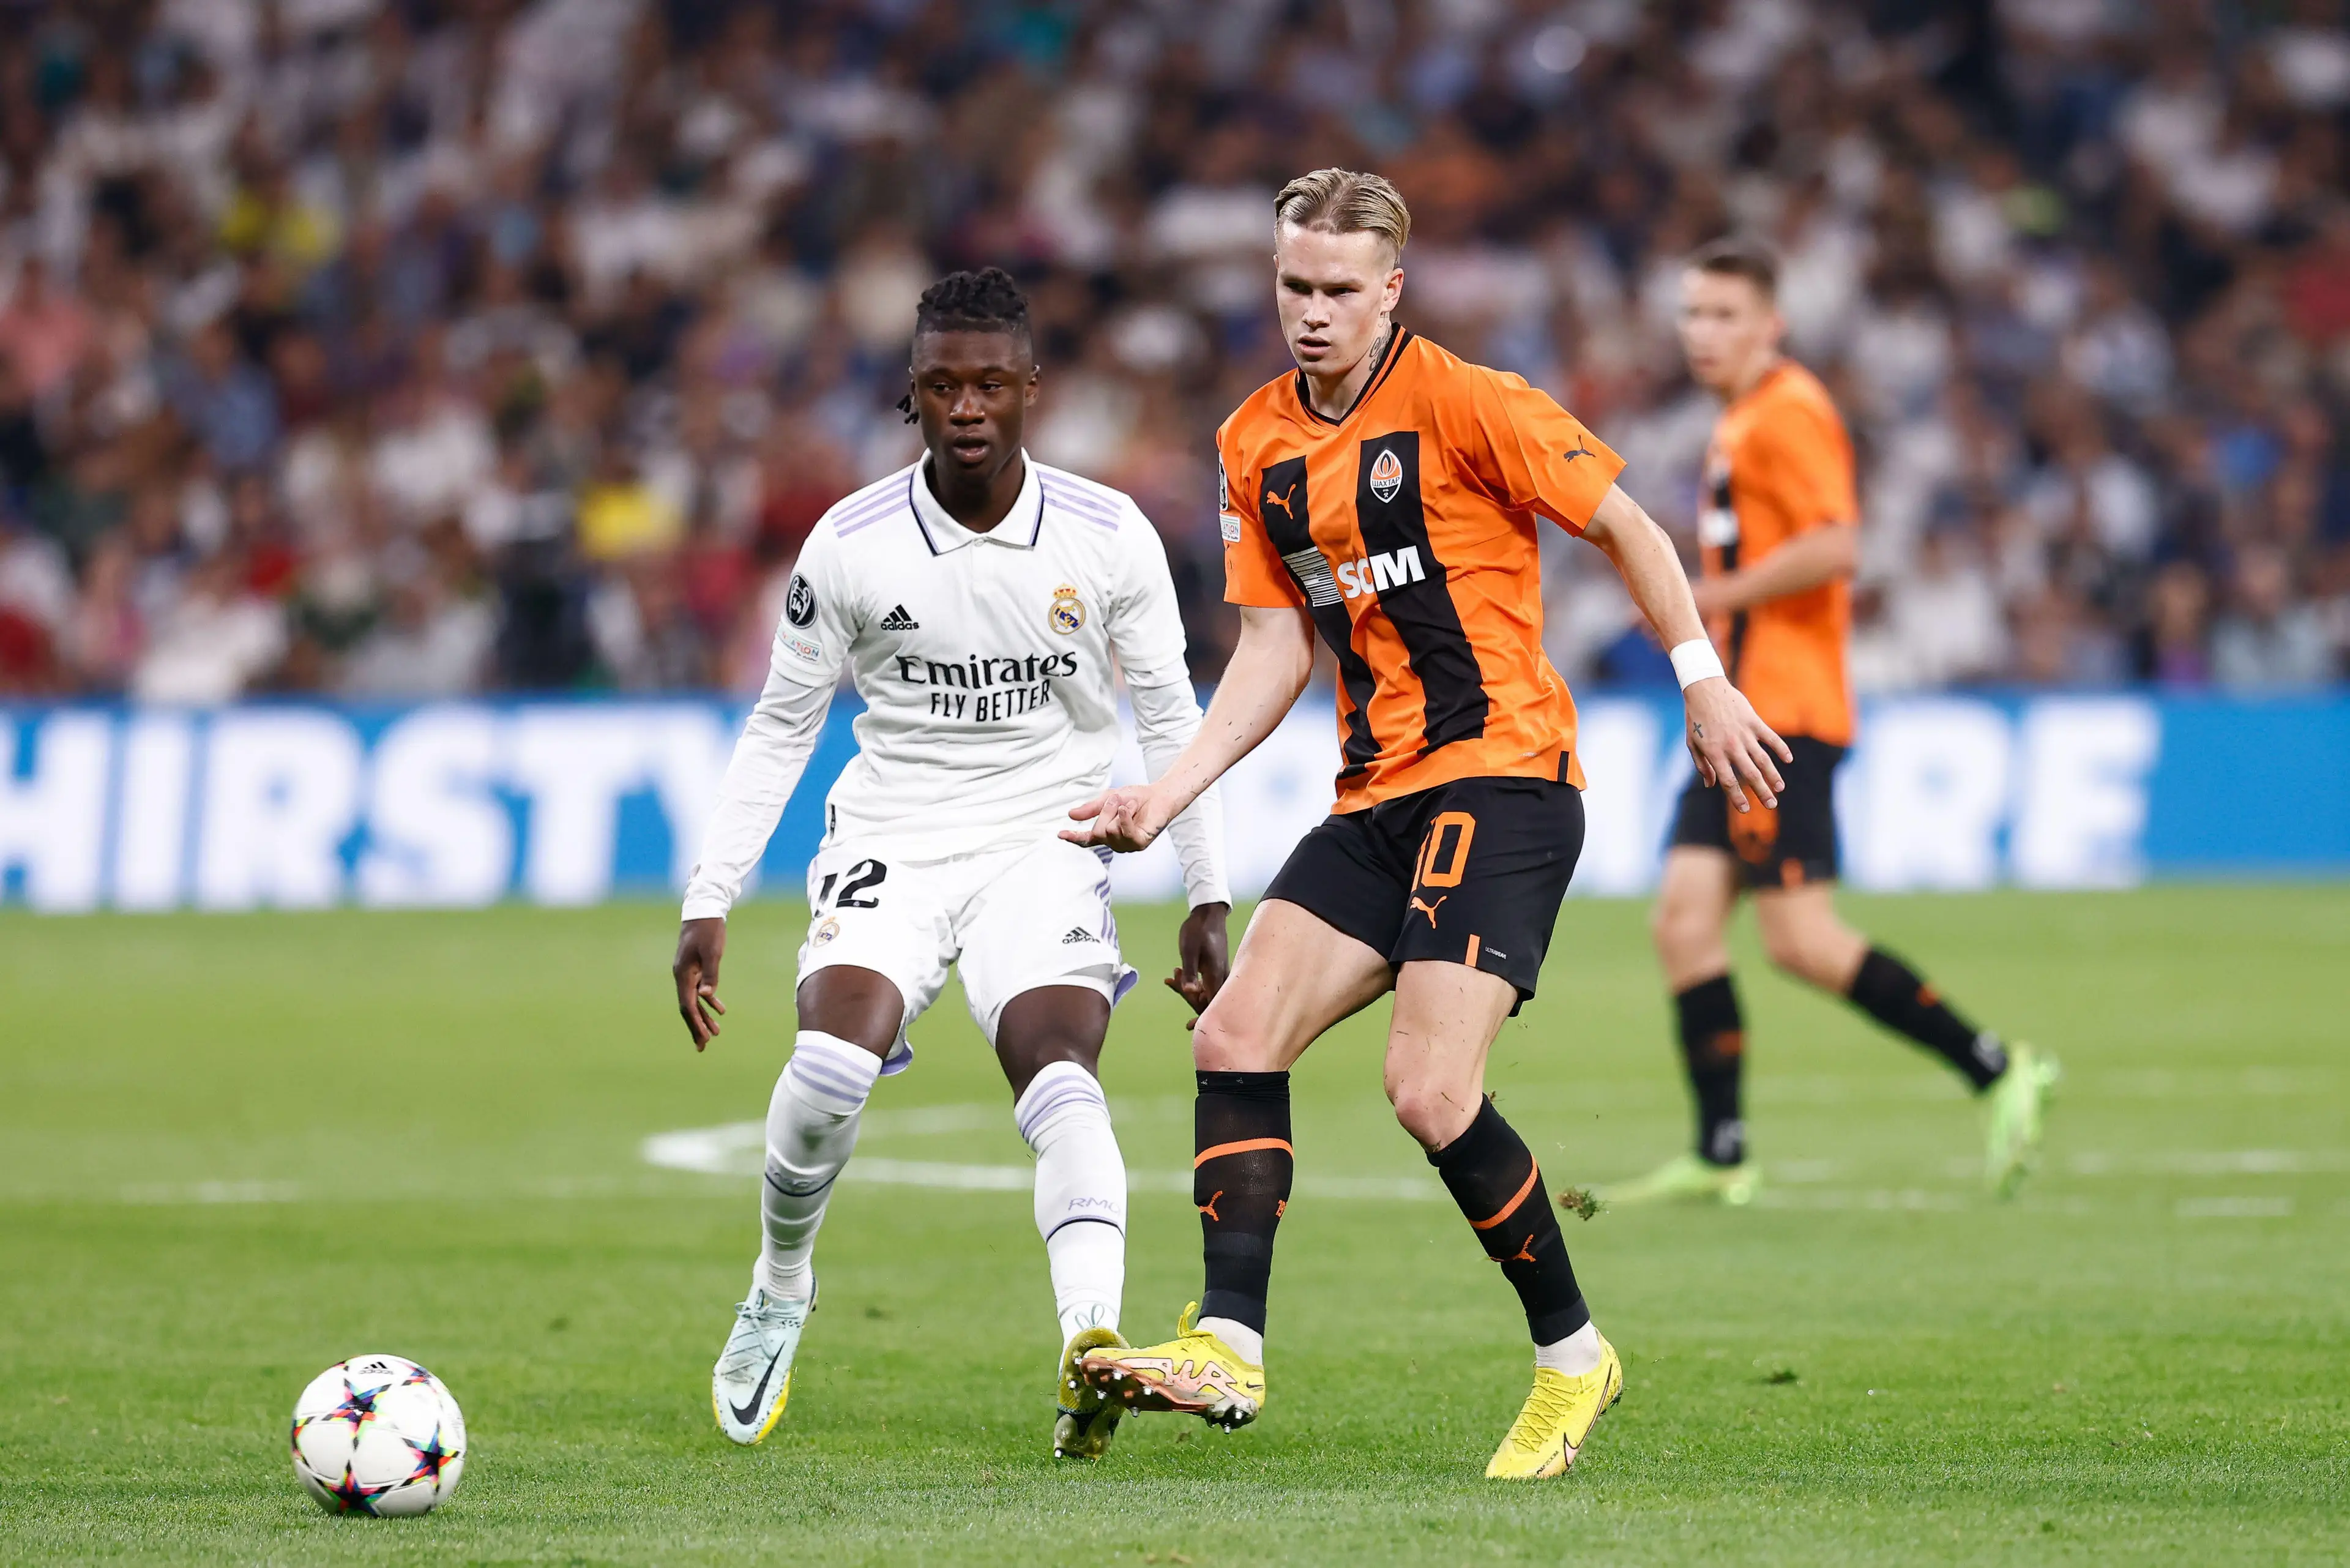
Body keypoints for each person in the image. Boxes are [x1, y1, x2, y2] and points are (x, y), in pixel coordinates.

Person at [1061, 170, 1789, 1480]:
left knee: (1428, 1088)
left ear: (1391, 290)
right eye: (1295, 286)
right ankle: (1228, 1343)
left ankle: (1576, 1359)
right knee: (1233, 1031)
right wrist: (1163, 797)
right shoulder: (1252, 445)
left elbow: (1627, 526)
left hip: (1504, 777)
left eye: (1342, 290)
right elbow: (1273, 652)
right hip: (1375, 795)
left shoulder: (1466, 401)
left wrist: (1703, 681)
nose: (1315, 312)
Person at [671, 268, 1231, 1460]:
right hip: (896, 830)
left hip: (1048, 833)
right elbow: (781, 725)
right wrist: (709, 897)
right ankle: (781, 1282)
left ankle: (1093, 1347)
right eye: (941, 386)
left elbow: (1173, 713)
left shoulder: (1108, 533)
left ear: (1033, 388)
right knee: (828, 1066)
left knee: (1059, 1066)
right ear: (909, 396)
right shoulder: (852, 545)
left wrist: (1206, 885)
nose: (967, 406)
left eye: (988, 383)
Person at [1606, 239, 2059, 1209]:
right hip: (1736, 708)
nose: (1704, 332)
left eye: (1726, 314)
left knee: (1800, 938)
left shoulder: (1789, 411)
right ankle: (1723, 1152)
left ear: (1772, 324)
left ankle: (1995, 1065)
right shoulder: (1739, 421)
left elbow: (1841, 542)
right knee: (1683, 921)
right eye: (1693, 313)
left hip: (1783, 713)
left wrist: (1715, 589)